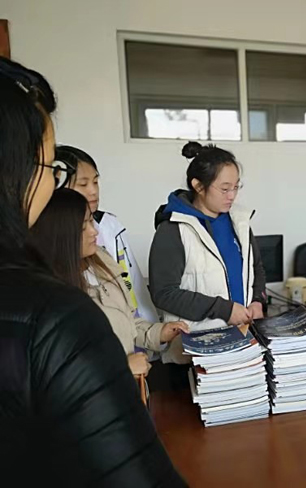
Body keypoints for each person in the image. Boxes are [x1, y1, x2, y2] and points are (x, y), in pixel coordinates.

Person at [0, 57, 185, 485]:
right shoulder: (53, 314)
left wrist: (157, 334)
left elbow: (130, 313)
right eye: (53, 170)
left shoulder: (98, 260)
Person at [30, 189, 190, 377]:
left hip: (127, 385)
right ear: (59, 233)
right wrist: (122, 368)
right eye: (83, 227)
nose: (94, 231)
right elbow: (61, 371)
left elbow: (128, 320)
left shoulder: (102, 260)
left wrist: (159, 333)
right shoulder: (48, 292)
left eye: (91, 221)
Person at [149, 142, 266, 364]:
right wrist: (223, 309)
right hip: (195, 349)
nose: (232, 196)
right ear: (198, 186)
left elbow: (256, 268)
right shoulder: (174, 229)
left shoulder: (239, 222)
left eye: (236, 187)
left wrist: (257, 300)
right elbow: (164, 293)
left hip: (243, 339)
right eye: (224, 189)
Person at [56, 144, 159, 323]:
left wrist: (152, 327)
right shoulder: (53, 239)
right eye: (83, 184)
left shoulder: (110, 226)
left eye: (95, 182)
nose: (93, 191)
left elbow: (133, 282)